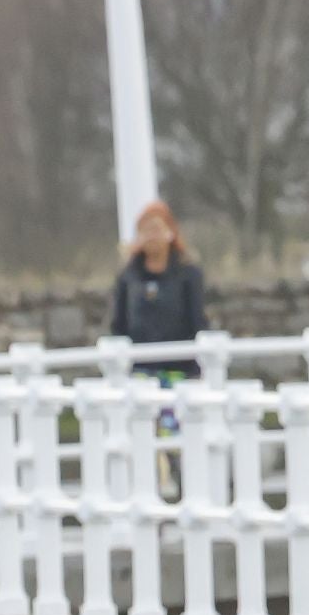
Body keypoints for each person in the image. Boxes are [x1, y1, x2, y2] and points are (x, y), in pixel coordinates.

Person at [111, 200, 206, 496]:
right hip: (142, 371)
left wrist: (198, 364)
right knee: (143, 439)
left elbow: (197, 319)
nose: (152, 236)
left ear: (170, 232)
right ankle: (150, 501)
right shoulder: (128, 276)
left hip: (178, 370)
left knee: (177, 440)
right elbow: (119, 323)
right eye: (145, 230)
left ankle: (186, 496)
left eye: (157, 228)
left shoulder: (188, 274)